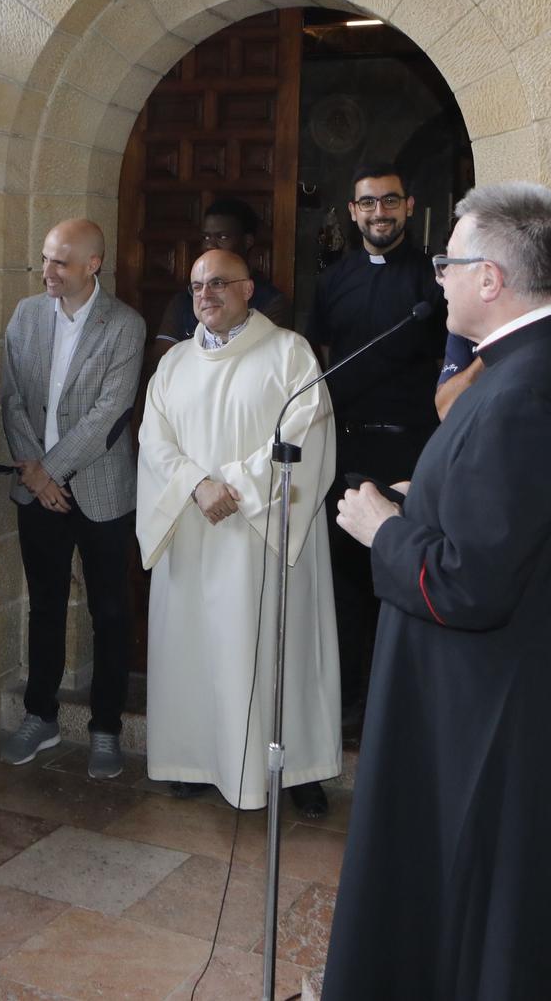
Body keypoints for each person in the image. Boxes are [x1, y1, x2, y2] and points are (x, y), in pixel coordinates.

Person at [326, 182, 551, 999]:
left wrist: (380, 528)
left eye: (450, 262)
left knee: (482, 901)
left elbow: (469, 581)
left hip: (490, 703)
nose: (440, 279)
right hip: (532, 679)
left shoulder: (524, 390)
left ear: (492, 278)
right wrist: (422, 499)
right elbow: (519, 518)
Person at [137, 248, 339, 817]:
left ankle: (297, 767)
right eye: (197, 285)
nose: (205, 295)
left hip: (264, 533)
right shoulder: (173, 364)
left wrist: (238, 488)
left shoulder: (288, 353)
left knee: (283, 648)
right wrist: (197, 485)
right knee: (199, 652)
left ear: (249, 290)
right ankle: (198, 759)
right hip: (196, 529)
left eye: (220, 284)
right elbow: (154, 441)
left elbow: (309, 432)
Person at [0, 219, 145, 779]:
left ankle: (105, 727)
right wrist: (37, 477)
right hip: (39, 490)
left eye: (60, 261)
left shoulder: (124, 325)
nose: (48, 271)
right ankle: (41, 715)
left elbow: (109, 413)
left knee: (109, 611)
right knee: (45, 606)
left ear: (93, 265)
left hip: (102, 490)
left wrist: (47, 472)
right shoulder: (26, 315)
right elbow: (11, 399)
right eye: (44, 259)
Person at [306, 164, 443, 742]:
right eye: (368, 203)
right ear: (353, 211)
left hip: (414, 454)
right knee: (346, 585)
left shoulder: (436, 280)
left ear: (410, 206)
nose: (379, 213)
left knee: (403, 577)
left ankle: (398, 710)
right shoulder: (333, 279)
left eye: (390, 201)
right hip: (347, 446)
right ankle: (345, 703)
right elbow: (315, 356)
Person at [153, 198, 292, 354]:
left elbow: (264, 360)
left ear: (247, 241)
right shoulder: (184, 301)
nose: (210, 245)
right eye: (206, 237)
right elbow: (162, 362)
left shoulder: (271, 301)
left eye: (222, 237)